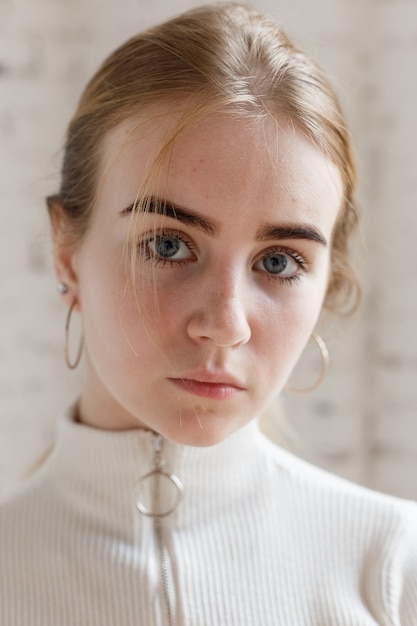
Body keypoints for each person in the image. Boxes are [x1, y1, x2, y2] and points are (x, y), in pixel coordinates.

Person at [1, 3, 416, 625]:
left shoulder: (391, 569)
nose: (226, 323)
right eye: (168, 245)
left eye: (279, 262)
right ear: (66, 253)